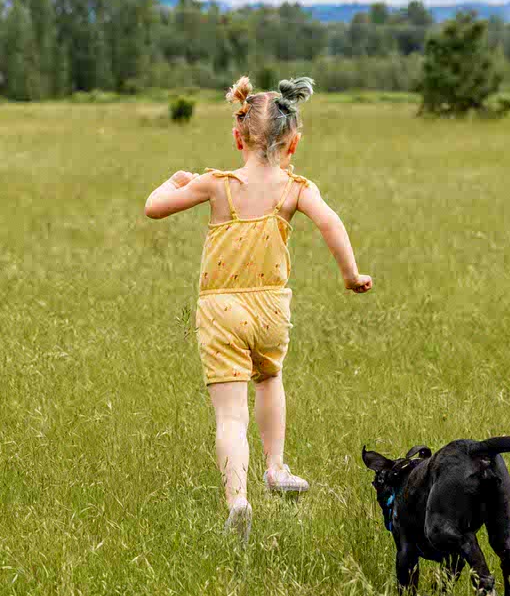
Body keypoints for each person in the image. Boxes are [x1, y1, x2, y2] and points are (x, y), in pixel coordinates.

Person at [144, 75, 372, 540]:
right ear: (293, 144)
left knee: (230, 414)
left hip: (220, 308)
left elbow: (154, 207)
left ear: (237, 137)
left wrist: (175, 180)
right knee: (269, 379)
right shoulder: (297, 189)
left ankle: (237, 499)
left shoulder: (216, 185)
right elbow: (332, 223)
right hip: (271, 307)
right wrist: (351, 275)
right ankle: (276, 466)